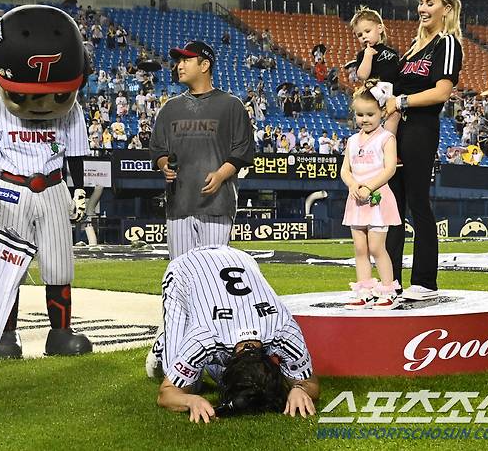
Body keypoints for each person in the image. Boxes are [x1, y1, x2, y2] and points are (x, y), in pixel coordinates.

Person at [0, 5, 93, 357]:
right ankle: (6, 334)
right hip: (10, 188)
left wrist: (79, 189)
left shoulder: (73, 111)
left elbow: (76, 154)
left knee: (58, 264)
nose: (42, 104)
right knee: (8, 266)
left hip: (54, 186)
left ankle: (60, 333)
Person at [149, 245, 319, 423]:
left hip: (240, 257)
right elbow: (166, 392)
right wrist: (190, 400)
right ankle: (163, 343)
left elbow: (310, 383)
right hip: (185, 269)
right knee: (192, 386)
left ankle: (194, 356)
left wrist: (300, 389)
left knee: (198, 372)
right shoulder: (204, 337)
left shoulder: (284, 329)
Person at [385, 0, 463, 300]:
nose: (422, 8)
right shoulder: (412, 48)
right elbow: (392, 92)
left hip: (421, 129)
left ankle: (425, 282)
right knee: (392, 210)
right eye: (421, 2)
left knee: (418, 204)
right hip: (398, 131)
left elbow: (442, 92)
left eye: (430, 3)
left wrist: (401, 102)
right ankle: (391, 282)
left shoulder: (446, 44)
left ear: (446, 9)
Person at [149, 40, 255, 260]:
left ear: (205, 65)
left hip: (216, 204)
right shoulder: (170, 107)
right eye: (179, 61)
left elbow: (242, 150)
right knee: (180, 274)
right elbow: (157, 149)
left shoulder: (231, 105)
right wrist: (163, 165)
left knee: (214, 277)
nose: (179, 65)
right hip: (179, 205)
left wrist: (220, 175)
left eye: (186, 60)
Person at [341, 80, 401, 309]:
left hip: (377, 200)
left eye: (370, 114)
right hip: (356, 201)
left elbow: (389, 169)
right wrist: (353, 185)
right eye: (360, 114)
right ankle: (364, 290)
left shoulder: (387, 138)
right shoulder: (352, 141)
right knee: (360, 248)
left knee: (377, 248)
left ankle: (388, 291)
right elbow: (345, 170)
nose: (365, 119)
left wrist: (369, 187)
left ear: (381, 113)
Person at [350, 6, 400, 133]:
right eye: (360, 35)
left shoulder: (392, 52)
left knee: (394, 116)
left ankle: (388, 142)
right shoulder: (363, 54)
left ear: (380, 28)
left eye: (367, 31)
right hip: (373, 93)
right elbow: (362, 75)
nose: (364, 37)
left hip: (391, 93)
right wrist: (367, 56)